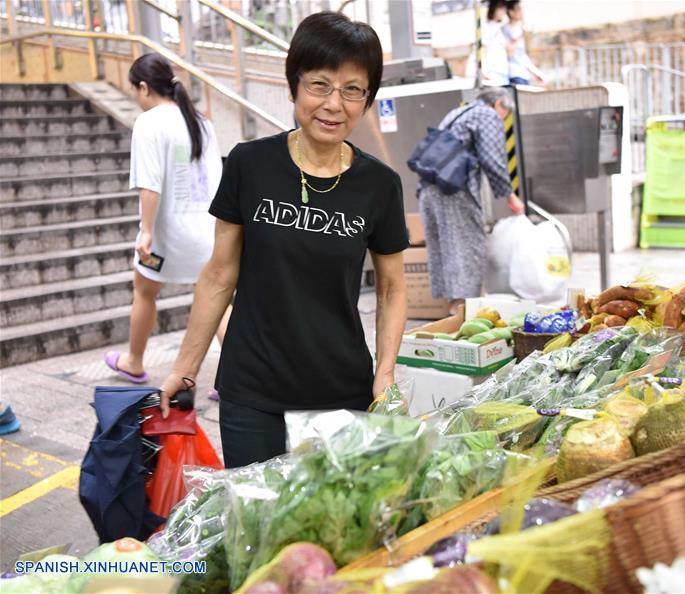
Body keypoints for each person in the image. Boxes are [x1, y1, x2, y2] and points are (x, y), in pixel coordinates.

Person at [159, 12, 409, 468]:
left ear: (367, 99)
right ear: (293, 85)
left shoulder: (380, 184)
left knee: (335, 530)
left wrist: (385, 373)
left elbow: (392, 287)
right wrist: (184, 369)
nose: (335, 104)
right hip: (253, 393)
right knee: (258, 532)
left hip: (342, 392)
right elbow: (219, 274)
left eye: (353, 89)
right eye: (319, 84)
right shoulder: (249, 163)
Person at [104, 53, 230, 387]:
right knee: (216, 299)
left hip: (168, 236)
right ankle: (236, 377)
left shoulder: (149, 122)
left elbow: (150, 183)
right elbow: (217, 178)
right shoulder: (201, 121)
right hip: (208, 231)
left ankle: (133, 361)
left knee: (144, 291)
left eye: (135, 90)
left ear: (144, 87)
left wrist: (145, 231)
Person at [418, 87, 525, 315]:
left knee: (446, 249)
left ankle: (455, 307)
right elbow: (492, 159)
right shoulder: (487, 115)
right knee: (468, 247)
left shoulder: (457, 113)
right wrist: (510, 194)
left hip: (429, 189)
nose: (502, 120)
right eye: (504, 115)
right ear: (498, 105)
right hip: (455, 190)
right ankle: (466, 310)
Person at [503, 0, 546, 86]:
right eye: (519, 9)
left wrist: (536, 72)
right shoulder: (504, 30)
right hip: (512, 75)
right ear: (511, 12)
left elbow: (522, 56)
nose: (522, 12)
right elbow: (509, 52)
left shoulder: (520, 29)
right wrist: (520, 36)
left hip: (524, 75)